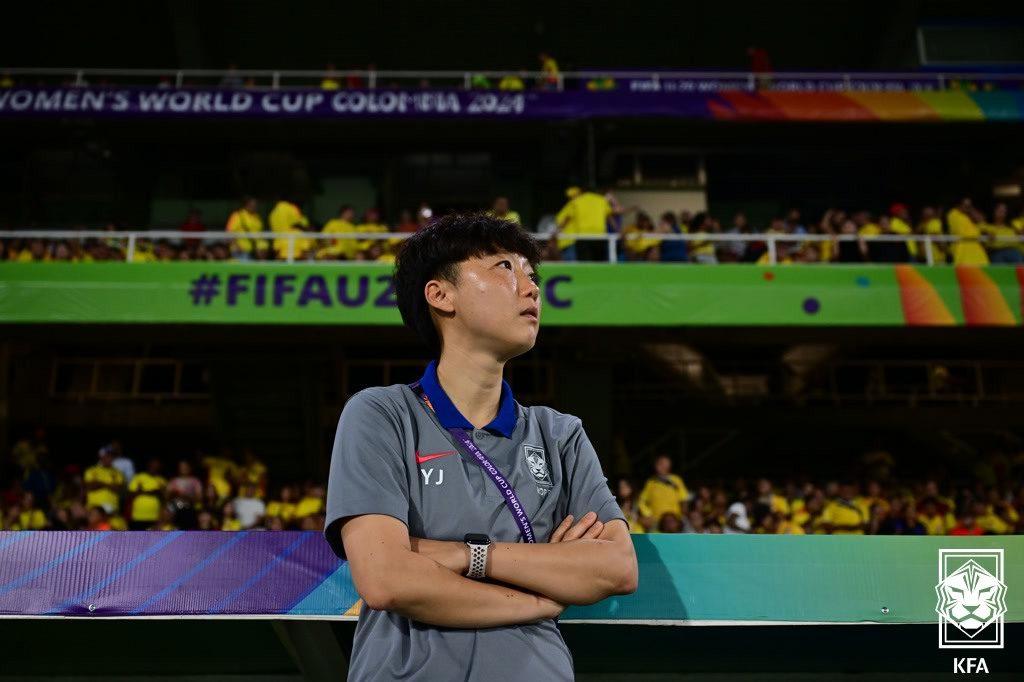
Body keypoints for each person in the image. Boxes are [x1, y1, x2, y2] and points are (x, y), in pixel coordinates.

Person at [324, 213, 637, 682]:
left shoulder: (560, 434)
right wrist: (537, 598)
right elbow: (386, 579)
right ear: (440, 295)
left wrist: (468, 555)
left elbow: (616, 567)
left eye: (533, 276)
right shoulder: (381, 414)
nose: (531, 288)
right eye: (505, 268)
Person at [554, 187, 612, 262]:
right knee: (599, 262)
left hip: (580, 236)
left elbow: (567, 218)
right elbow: (609, 215)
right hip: (599, 235)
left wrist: (557, 231)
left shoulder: (575, 202)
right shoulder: (601, 200)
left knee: (583, 263)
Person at [637, 454, 690, 527]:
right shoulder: (650, 482)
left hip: (675, 522)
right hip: (656, 522)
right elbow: (641, 501)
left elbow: (684, 499)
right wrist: (648, 514)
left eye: (665, 463)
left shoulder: (676, 480)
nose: (662, 466)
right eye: (660, 463)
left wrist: (682, 518)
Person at [127, 457, 167, 531]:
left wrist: (159, 492)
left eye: (156, 466)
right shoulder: (139, 477)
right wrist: (151, 492)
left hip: (155, 516)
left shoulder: (162, 480)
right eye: (152, 465)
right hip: (138, 516)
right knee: (138, 539)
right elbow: (130, 494)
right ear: (148, 465)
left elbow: (165, 498)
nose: (154, 467)